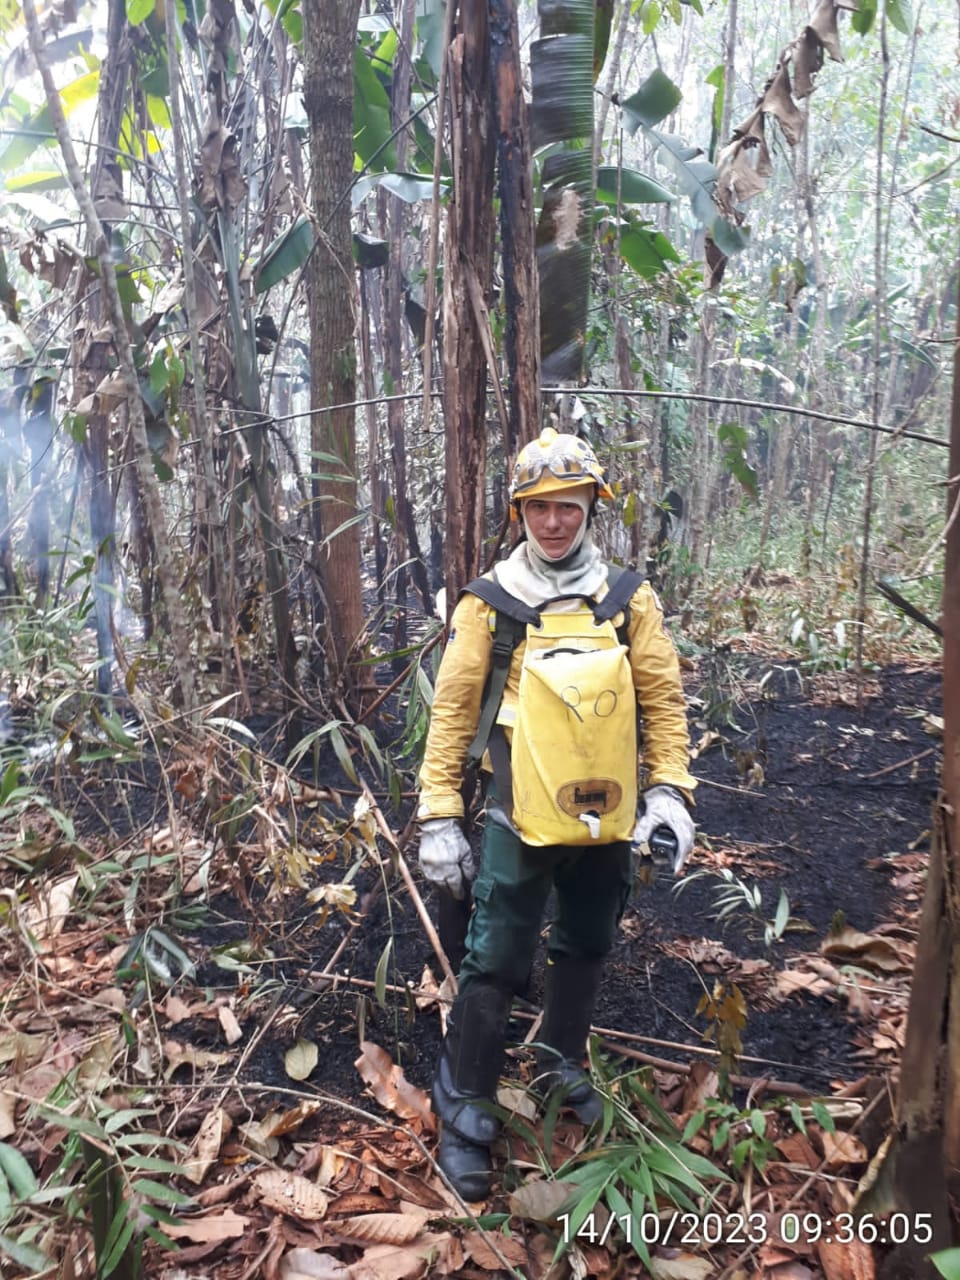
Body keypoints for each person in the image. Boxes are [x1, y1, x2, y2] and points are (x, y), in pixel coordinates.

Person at [416, 427, 697, 1200]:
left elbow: (663, 700)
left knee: (588, 937)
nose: (553, 523)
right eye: (539, 508)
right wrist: (439, 814)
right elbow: (452, 711)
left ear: (590, 508)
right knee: (498, 951)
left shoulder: (626, 598)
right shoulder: (490, 605)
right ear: (521, 512)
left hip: (608, 812)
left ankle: (558, 1062)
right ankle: (466, 1101)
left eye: (567, 507)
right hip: (517, 807)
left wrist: (669, 790)